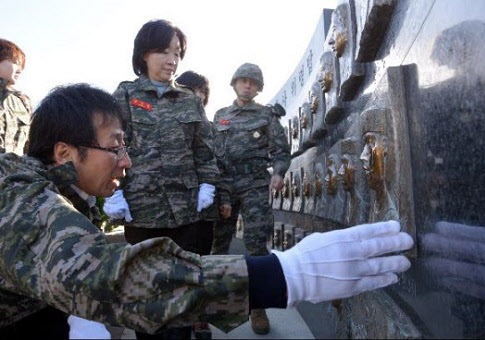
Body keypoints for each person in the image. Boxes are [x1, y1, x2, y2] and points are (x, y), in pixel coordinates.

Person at [0, 83, 414, 338]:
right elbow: (97, 276)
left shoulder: (61, 196)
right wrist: (282, 276)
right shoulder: (14, 194)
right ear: (64, 152)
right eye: (116, 145)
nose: (127, 161)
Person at [106, 19, 230, 339]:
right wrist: (111, 193)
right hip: (143, 213)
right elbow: (110, 145)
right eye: (163, 50)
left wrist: (208, 185)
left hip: (187, 214)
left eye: (177, 52)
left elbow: (204, 149)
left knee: (183, 297)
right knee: (146, 296)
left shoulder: (188, 99)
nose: (172, 59)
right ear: (143, 55)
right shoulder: (124, 95)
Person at [210, 62, 291, 334]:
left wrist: (279, 173)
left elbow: (281, 151)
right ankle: (214, 301)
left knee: (256, 247)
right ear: (234, 83)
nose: (247, 85)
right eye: (243, 80)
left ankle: (258, 308)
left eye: (253, 82)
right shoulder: (220, 116)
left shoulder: (266, 116)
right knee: (218, 244)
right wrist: (218, 191)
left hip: (255, 185)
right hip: (225, 186)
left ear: (258, 88)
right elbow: (212, 154)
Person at [176, 70, 225, 339]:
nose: (196, 96)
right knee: (179, 262)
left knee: (202, 262)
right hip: (174, 209)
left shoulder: (211, 127)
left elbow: (222, 166)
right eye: (190, 90)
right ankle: (181, 315)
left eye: (200, 93)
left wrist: (223, 199)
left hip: (204, 208)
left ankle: (198, 317)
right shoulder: (168, 123)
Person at [0, 38, 31, 155]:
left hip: (15, 171)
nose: (20, 69)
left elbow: (30, 147)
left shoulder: (22, 102)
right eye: (14, 62)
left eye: (21, 65)